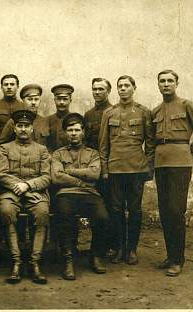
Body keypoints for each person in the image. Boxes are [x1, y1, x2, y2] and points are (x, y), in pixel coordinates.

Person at [152, 70, 193, 277]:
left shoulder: (187, 105)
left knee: (175, 210)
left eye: (170, 81)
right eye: (162, 81)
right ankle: (171, 256)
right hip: (161, 163)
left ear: (177, 84)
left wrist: (191, 150)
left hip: (180, 162)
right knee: (164, 210)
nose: (166, 84)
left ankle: (178, 260)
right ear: (158, 85)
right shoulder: (155, 111)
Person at [99, 75, 155, 265]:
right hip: (115, 169)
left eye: (126, 85)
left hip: (136, 169)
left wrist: (149, 168)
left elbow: (150, 144)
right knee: (115, 210)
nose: (123, 89)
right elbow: (103, 144)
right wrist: (105, 169)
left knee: (135, 210)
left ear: (134, 88)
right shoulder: (109, 113)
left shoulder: (143, 112)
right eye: (120, 86)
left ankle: (132, 249)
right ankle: (119, 248)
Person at [51, 113, 109, 280]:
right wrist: (80, 181)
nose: (74, 133)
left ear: (83, 132)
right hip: (66, 194)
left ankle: (95, 256)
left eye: (77, 130)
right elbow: (56, 177)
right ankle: (68, 260)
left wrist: (70, 171)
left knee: (103, 218)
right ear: (65, 133)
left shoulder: (93, 153)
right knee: (64, 215)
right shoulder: (58, 154)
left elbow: (95, 174)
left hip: (89, 195)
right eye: (70, 130)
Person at [0, 110, 51, 284]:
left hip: (35, 191)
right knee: (6, 211)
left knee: (42, 212)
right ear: (14, 128)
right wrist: (22, 187)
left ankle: (35, 262)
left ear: (32, 128)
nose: (23, 129)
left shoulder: (42, 150)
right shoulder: (4, 148)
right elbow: (2, 175)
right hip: (10, 191)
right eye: (19, 126)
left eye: (26, 126)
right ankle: (16, 262)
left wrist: (28, 185)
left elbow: (47, 176)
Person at [83, 78, 114, 257]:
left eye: (101, 89)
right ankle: (96, 248)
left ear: (108, 91)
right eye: (94, 89)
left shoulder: (114, 111)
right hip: (92, 167)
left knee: (109, 206)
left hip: (109, 166)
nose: (97, 92)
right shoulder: (88, 115)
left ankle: (108, 246)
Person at [48, 84, 73, 152]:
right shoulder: (47, 120)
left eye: (65, 99)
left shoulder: (76, 120)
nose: (61, 102)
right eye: (59, 99)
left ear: (70, 100)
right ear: (54, 100)